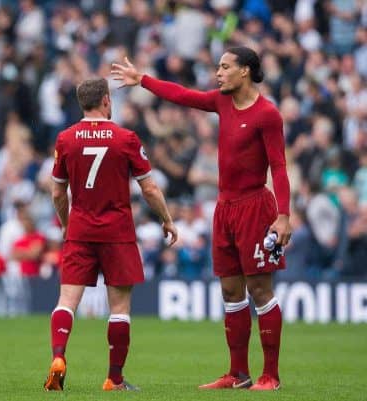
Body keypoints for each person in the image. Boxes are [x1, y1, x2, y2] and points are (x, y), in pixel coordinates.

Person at [112, 46, 292, 391]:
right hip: (223, 209)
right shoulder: (222, 102)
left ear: (245, 71)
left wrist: (283, 216)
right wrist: (142, 80)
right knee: (229, 290)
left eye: (225, 67)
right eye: (218, 67)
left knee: (259, 289)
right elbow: (182, 95)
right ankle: (238, 374)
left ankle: (271, 375)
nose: (218, 73)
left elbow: (280, 167)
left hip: (255, 207)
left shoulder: (268, 114)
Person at [43, 78, 178, 392]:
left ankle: (59, 357)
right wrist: (167, 219)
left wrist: (67, 224)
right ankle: (114, 379)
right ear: (106, 100)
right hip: (117, 231)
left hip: (80, 230)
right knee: (119, 309)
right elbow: (150, 188)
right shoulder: (125, 138)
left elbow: (57, 193)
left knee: (66, 301)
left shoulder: (65, 139)